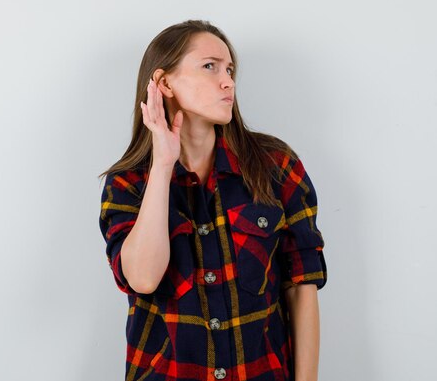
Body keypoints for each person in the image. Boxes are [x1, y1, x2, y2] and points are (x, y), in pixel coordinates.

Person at [98, 19, 327, 381]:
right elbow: (142, 278)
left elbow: (302, 289)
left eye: (230, 69)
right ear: (164, 83)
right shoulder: (129, 182)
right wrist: (162, 165)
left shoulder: (277, 166)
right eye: (210, 67)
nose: (228, 81)